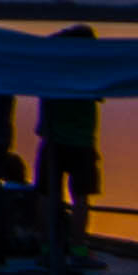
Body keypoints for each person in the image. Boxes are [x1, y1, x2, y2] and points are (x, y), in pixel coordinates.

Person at [38, 34, 105, 230]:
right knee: (81, 197)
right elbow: (99, 96)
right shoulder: (90, 73)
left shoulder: (54, 70)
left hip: (55, 140)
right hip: (82, 143)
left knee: (46, 194)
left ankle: (45, 246)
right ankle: (77, 248)